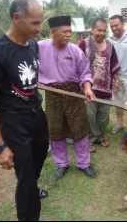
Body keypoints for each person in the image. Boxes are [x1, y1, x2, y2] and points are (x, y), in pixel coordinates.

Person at [0, 0, 49, 221]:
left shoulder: (33, 46)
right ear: (16, 18)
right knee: (26, 179)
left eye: (41, 22)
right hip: (14, 124)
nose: (40, 29)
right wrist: (0, 146)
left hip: (38, 118)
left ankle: (30, 190)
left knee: (33, 171)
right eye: (35, 23)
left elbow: (29, 83)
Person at [38, 15, 96, 179]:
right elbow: (28, 64)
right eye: (65, 32)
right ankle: (61, 164)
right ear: (52, 32)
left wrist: (87, 89)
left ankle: (84, 163)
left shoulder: (75, 50)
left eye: (70, 32)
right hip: (52, 94)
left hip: (73, 94)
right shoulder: (39, 47)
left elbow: (85, 74)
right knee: (55, 129)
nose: (69, 35)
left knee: (79, 128)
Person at [78, 18, 121, 153]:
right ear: (92, 30)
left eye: (104, 30)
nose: (102, 33)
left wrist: (117, 80)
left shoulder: (110, 45)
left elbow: (114, 64)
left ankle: (100, 137)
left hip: (105, 89)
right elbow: (77, 65)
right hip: (88, 89)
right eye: (99, 30)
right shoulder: (83, 44)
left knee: (103, 117)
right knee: (90, 116)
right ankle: (90, 139)